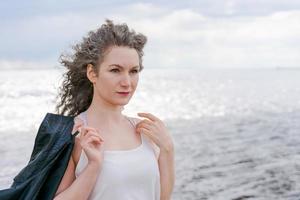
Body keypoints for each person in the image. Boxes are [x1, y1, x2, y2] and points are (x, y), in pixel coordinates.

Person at [53, 19, 175, 200]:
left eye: (133, 71)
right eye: (115, 70)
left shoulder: (145, 131)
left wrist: (167, 149)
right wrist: (93, 166)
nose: (127, 82)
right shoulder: (73, 133)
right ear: (92, 73)